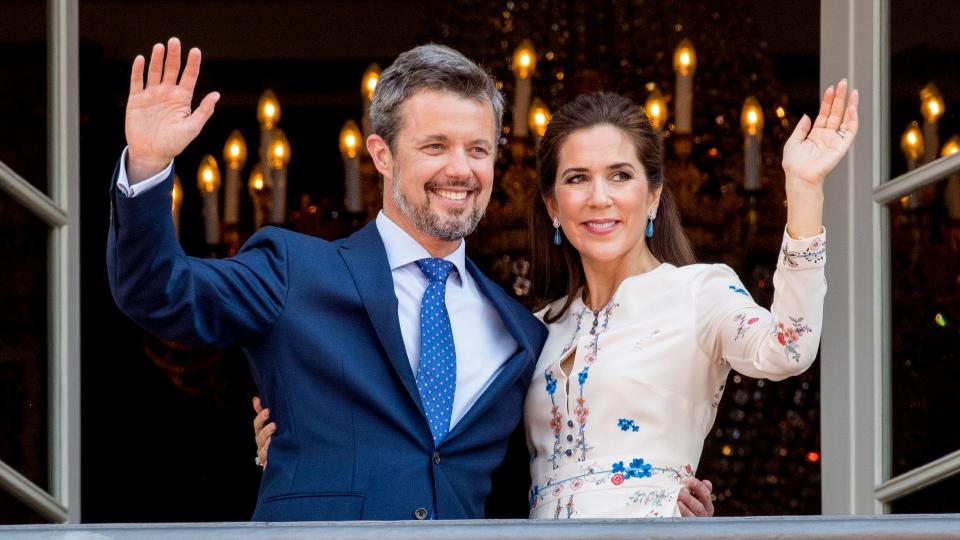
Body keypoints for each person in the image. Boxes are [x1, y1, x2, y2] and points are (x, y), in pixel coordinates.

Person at [107, 37, 718, 520]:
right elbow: (159, 293)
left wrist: (663, 506)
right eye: (435, 146)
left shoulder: (521, 333)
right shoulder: (295, 270)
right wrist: (149, 166)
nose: (461, 170)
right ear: (381, 154)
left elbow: (533, 486)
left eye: (478, 149)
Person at [256, 83, 858, 517]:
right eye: (577, 179)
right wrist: (307, 436)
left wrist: (803, 192)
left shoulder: (699, 291)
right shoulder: (534, 328)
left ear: (653, 199)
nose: (600, 198)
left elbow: (789, 348)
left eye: (621, 176)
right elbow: (449, 442)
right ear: (551, 206)